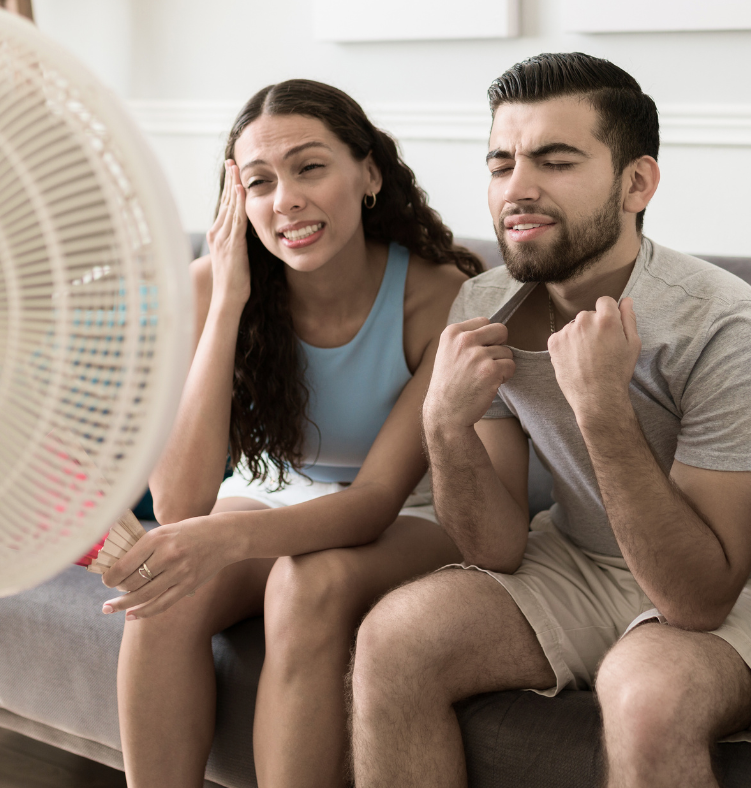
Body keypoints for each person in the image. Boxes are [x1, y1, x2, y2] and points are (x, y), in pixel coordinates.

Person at [349, 52, 751, 788]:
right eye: (501, 164)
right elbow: (494, 547)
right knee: (393, 637)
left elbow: (699, 597)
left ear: (637, 183)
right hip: (574, 562)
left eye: (555, 162)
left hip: (728, 584)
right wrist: (444, 426)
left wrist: (601, 406)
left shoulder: (723, 325)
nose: (518, 190)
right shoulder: (484, 306)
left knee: (648, 697)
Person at [99, 79, 481, 787]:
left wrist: (227, 539)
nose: (286, 200)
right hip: (279, 492)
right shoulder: (212, 285)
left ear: (368, 173)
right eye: (260, 182)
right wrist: (228, 301)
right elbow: (181, 505)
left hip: (413, 510)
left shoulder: (440, 294)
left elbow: (373, 500)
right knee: (165, 589)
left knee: (305, 584)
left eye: (310, 167)